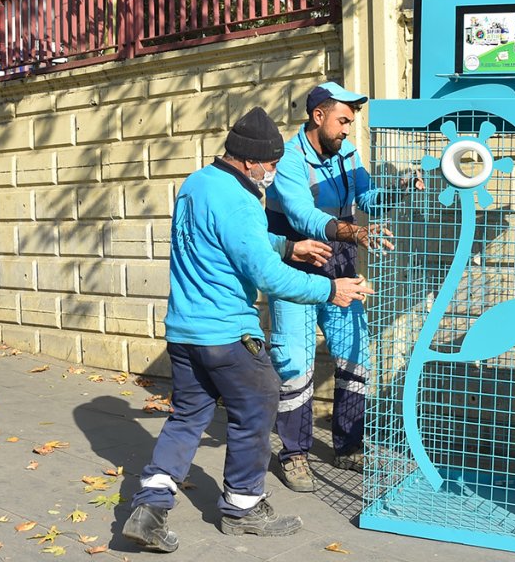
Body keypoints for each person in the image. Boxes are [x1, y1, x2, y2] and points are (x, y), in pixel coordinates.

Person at [122, 107, 375, 553]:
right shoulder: (239, 200)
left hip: (183, 333)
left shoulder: (198, 183)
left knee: (187, 418)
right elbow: (268, 276)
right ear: (250, 160)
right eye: (271, 166)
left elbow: (229, 238)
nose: (272, 175)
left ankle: (150, 506)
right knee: (256, 406)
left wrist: (289, 244)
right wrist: (329, 289)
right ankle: (243, 507)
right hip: (226, 334)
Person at [262, 81, 392, 490]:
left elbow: (368, 196)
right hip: (297, 265)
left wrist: (401, 189)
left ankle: (349, 445)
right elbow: (301, 216)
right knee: (295, 360)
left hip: (339, 263)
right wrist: (353, 232)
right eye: (342, 121)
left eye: (350, 123)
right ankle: (295, 454)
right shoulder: (289, 159)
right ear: (318, 116)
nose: (347, 130)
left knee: (356, 352)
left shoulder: (346, 153)